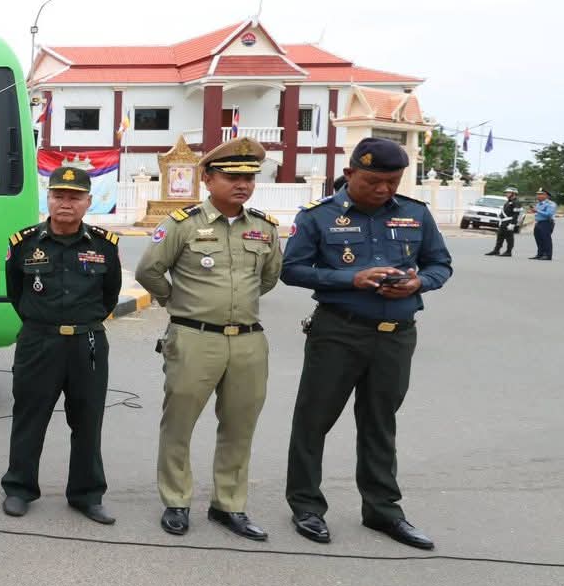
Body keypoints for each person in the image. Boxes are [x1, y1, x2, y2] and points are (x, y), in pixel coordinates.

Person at [281, 136, 453, 549]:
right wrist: (350, 279)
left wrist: (418, 283)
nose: (383, 189)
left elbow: (440, 264)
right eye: (374, 181)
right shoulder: (318, 216)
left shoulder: (415, 213)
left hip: (396, 336)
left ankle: (382, 510)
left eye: (392, 182)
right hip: (338, 332)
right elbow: (292, 269)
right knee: (314, 420)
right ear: (350, 173)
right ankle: (306, 505)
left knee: (380, 423)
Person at [132, 137, 283, 539]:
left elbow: (269, 278)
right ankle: (176, 500)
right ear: (208, 179)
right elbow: (148, 271)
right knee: (179, 424)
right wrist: (176, 302)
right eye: (232, 177)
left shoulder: (264, 228)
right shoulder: (182, 224)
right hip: (194, 338)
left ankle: (228, 505)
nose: (242, 185)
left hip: (248, 342)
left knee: (239, 426)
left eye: (249, 178)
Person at [0, 164, 124, 523]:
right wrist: (43, 323)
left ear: (88, 202)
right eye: (58, 196)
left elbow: (110, 295)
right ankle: (19, 488)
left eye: (74, 197)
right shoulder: (24, 243)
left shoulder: (104, 245)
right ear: (48, 199)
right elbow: (16, 293)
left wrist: (84, 322)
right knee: (29, 417)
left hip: (87, 342)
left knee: (88, 420)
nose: (65, 203)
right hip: (39, 341)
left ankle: (87, 494)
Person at [488, 187, 522, 257]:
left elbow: (516, 214)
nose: (506, 194)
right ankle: (496, 250)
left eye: (508, 193)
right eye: (506, 193)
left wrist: (512, 224)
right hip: (504, 221)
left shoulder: (516, 202)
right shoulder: (508, 201)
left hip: (509, 222)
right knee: (500, 236)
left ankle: (508, 251)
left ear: (513, 194)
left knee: (509, 237)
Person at [531, 189, 557, 261]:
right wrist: (534, 211)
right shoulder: (539, 204)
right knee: (538, 239)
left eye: (540, 194)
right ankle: (540, 254)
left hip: (546, 223)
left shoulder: (550, 204)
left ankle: (547, 255)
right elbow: (538, 213)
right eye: (537, 194)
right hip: (538, 222)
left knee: (546, 239)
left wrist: (537, 210)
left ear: (546, 196)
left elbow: (549, 214)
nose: (538, 196)